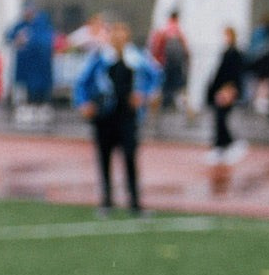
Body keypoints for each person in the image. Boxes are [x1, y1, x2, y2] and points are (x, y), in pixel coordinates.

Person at [76, 19, 157, 214]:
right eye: (115, 33)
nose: (119, 37)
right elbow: (81, 83)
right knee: (104, 158)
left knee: (129, 157)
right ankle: (107, 201)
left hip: (128, 117)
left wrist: (145, 95)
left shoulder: (137, 58)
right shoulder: (100, 59)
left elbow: (155, 76)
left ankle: (135, 203)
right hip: (104, 116)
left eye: (122, 33)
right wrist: (83, 103)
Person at [205, 26, 249, 164]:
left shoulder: (235, 53)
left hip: (227, 90)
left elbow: (234, 74)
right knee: (220, 118)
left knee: (222, 118)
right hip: (221, 90)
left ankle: (227, 143)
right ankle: (221, 146)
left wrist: (230, 88)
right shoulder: (227, 52)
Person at [150, 11, 191, 115]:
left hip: (166, 62)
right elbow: (185, 48)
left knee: (164, 85)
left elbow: (157, 46)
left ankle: (161, 107)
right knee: (180, 86)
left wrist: (157, 59)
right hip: (177, 64)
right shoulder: (178, 30)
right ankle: (188, 112)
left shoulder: (164, 29)